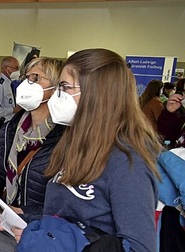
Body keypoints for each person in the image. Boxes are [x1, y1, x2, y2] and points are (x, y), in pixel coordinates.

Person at [16, 48, 162, 251]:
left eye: (65, 87)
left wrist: (56, 243)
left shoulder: (127, 162)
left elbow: (139, 247)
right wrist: (20, 217)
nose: (57, 96)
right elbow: (66, 215)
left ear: (96, 93)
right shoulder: (77, 143)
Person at [0, 57, 64, 251]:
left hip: (42, 233)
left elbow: (62, 204)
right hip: (4, 227)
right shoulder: (9, 129)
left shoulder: (64, 138)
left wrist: (23, 214)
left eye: (36, 78)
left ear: (56, 88)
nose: (26, 84)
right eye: (26, 77)